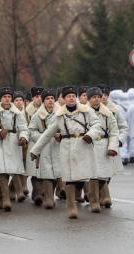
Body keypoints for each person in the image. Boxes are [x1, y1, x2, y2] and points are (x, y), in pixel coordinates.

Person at [30, 86, 102, 219]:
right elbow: (47, 134)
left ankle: (94, 202)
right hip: (66, 148)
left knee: (90, 175)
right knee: (69, 179)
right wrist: (35, 150)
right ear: (63, 99)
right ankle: (71, 207)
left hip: (83, 145)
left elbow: (98, 125)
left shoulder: (86, 111)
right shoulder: (59, 115)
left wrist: (90, 135)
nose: (71, 98)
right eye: (68, 96)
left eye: (73, 96)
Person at [0, 87, 29, 211]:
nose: (7, 99)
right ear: (0, 98)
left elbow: (23, 128)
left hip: (13, 142)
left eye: (9, 97)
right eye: (4, 97)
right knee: (2, 172)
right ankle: (6, 199)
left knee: (13, 170)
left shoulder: (17, 113)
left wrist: (23, 137)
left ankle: (2, 197)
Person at [86, 87, 122, 212]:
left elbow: (114, 131)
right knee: (93, 175)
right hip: (89, 145)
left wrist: (113, 147)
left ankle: (99, 196)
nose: (97, 99)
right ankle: (94, 201)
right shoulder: (84, 112)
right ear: (89, 99)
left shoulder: (108, 113)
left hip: (104, 145)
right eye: (94, 97)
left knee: (103, 175)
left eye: (98, 97)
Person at [28, 88, 61, 209]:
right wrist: (43, 138)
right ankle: (48, 199)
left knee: (57, 172)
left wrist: (60, 135)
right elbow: (31, 131)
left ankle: (51, 195)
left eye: (52, 98)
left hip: (58, 146)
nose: (50, 101)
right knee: (46, 173)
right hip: (45, 147)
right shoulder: (37, 115)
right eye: (47, 99)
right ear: (43, 101)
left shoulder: (61, 113)